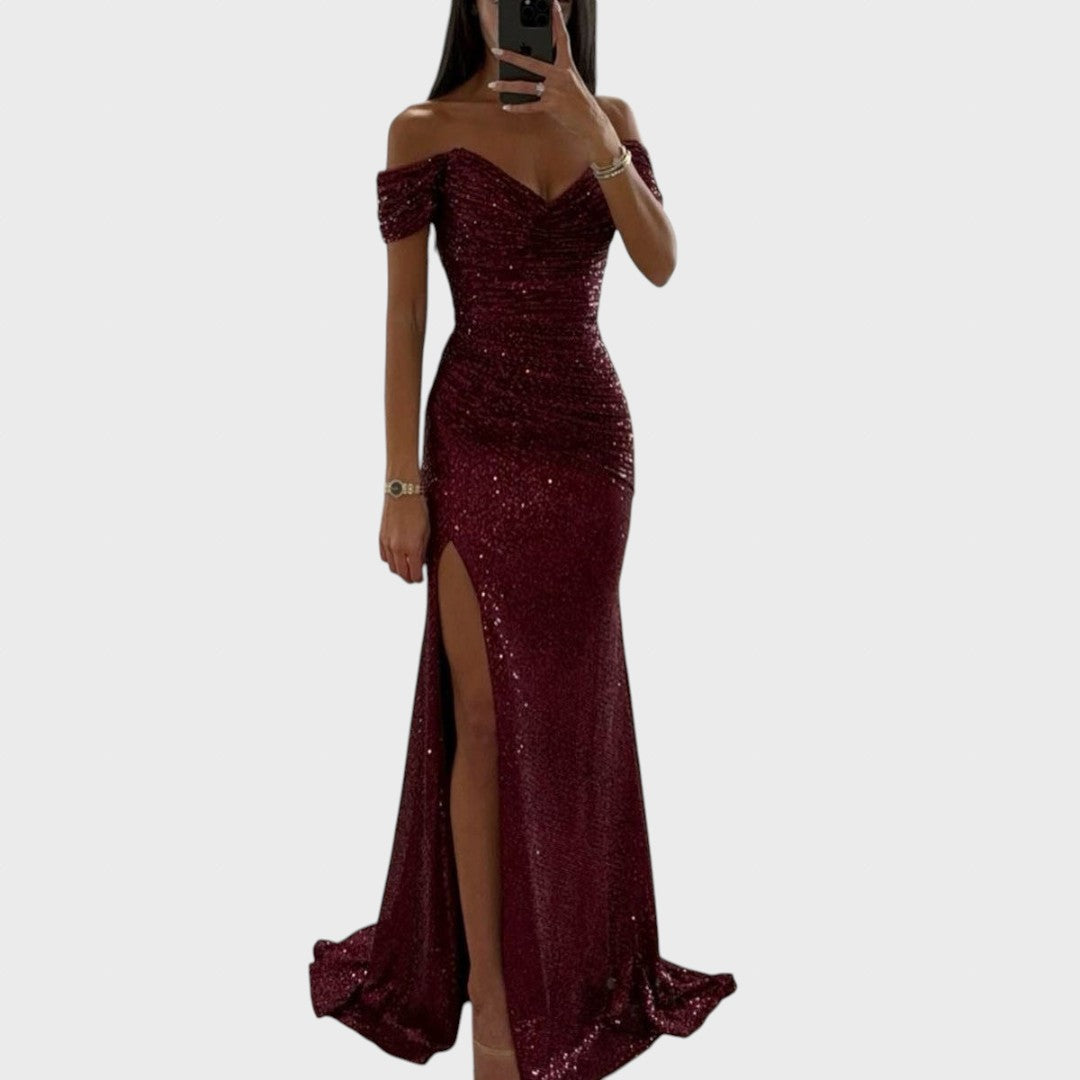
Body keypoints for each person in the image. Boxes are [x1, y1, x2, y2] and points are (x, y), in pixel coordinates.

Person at [309, 3, 736, 1078]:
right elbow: (405, 317)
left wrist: (591, 126)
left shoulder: (610, 117)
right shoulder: (421, 129)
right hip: (474, 438)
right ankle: (496, 1009)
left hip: (589, 447)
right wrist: (400, 480)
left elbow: (662, 262)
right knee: (484, 718)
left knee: (569, 716)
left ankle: (576, 963)